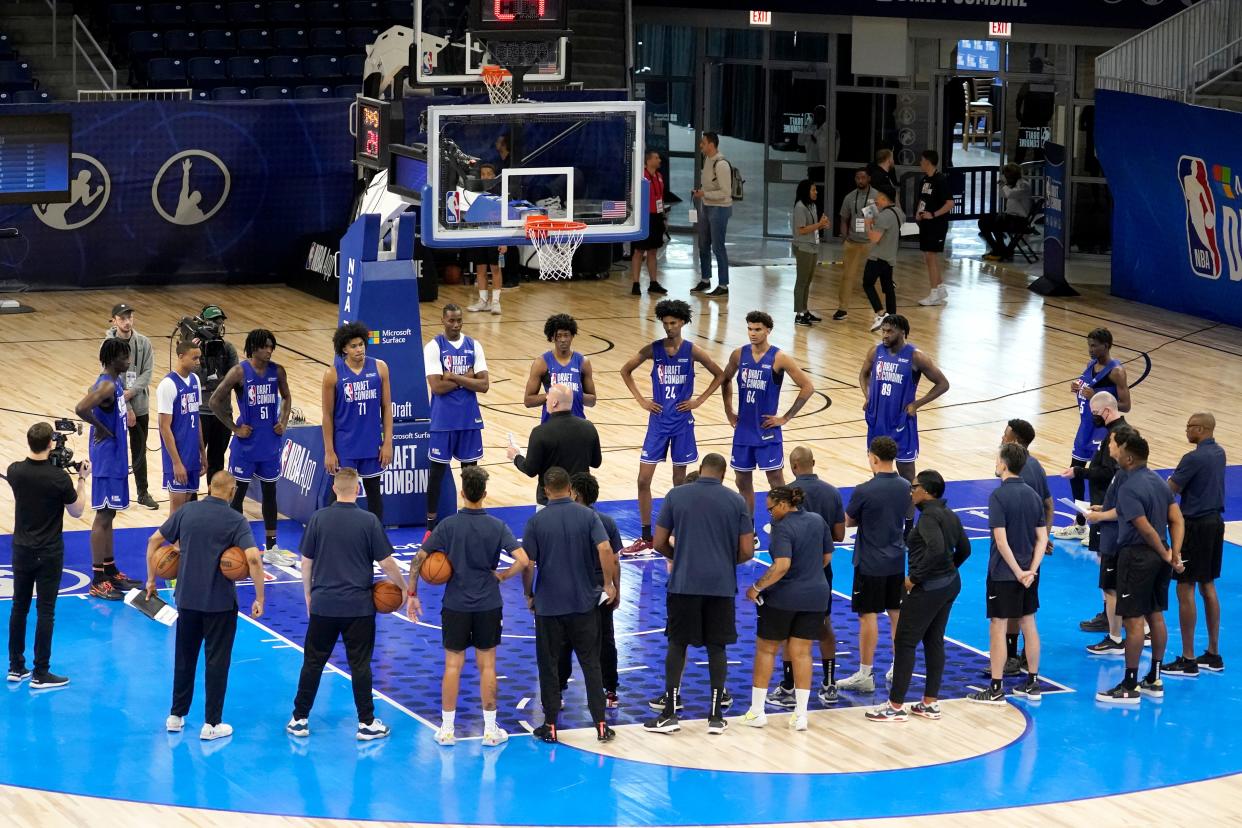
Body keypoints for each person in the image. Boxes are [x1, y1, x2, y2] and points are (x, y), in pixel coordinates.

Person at [410, 466, 529, 746]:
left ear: (462, 494)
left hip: (456, 605)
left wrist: (412, 593)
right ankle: (490, 731)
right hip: (488, 603)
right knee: (487, 666)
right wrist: (502, 576)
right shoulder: (497, 526)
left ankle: (447, 730)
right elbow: (524, 560)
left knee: (453, 666)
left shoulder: (448, 525)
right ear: (484, 494)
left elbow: (418, 559)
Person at [286, 469, 407, 741]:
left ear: (334, 488)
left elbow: (306, 561)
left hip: (324, 605)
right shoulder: (369, 521)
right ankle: (366, 723)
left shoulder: (318, 518)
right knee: (360, 666)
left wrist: (308, 594)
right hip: (358, 609)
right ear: (358, 490)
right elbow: (387, 563)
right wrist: (403, 588)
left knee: (313, 663)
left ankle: (299, 719)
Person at [144, 471, 265, 740]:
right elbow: (254, 560)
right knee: (217, 662)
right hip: (220, 605)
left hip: (187, 601)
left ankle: (175, 716)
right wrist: (260, 597)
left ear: (210, 487)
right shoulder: (236, 520)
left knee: (184, 658)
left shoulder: (187, 511)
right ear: (232, 492)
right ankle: (212, 724)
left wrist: (151, 579)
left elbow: (154, 541)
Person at [644, 453, 753, 734]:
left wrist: (678, 556)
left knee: (677, 644)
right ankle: (716, 715)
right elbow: (747, 551)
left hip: (684, 583)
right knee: (717, 647)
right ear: (723, 473)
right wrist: (726, 563)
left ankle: (669, 713)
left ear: (701, 469)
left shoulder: (676, 495)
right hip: (720, 585)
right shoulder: (736, 500)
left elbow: (657, 542)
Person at [520, 467, 619, 744]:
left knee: (549, 664)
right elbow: (605, 550)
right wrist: (609, 584)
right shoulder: (588, 516)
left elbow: (527, 563)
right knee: (590, 663)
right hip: (583, 604)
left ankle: (550, 725)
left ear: (546, 491)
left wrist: (528, 593)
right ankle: (600, 724)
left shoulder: (537, 522)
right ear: (570, 489)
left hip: (549, 606)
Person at [618, 299, 724, 554]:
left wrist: (699, 400)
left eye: (673, 323)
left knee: (680, 482)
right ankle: (646, 536)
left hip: (682, 424)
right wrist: (642, 400)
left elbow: (720, 374)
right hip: (657, 423)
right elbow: (625, 370)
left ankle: (679, 531)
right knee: (643, 480)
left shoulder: (693, 351)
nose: (668, 327)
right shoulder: (654, 349)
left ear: (683, 322)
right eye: (665, 323)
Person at [867, 470, 970, 722]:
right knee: (934, 640)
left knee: (905, 642)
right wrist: (948, 570)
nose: (911, 491)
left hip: (929, 588)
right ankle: (930, 703)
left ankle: (895, 706)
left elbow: (935, 550)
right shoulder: (949, 514)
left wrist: (915, 578)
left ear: (926, 490)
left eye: (914, 487)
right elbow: (965, 549)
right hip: (950, 585)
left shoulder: (927, 519)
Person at [1096, 435, 1185, 704]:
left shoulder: (1129, 487)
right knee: (1155, 616)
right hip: (1159, 558)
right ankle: (1154, 679)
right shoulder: (1159, 482)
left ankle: (1130, 685)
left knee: (1134, 622)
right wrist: (1174, 553)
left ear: (1129, 458)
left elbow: (1144, 528)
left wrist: (1165, 552)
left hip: (1137, 558)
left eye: (1119, 450)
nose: (1115, 452)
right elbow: (1177, 519)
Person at [740, 486, 833, 732]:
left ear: (783, 504)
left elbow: (781, 566)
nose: (770, 514)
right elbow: (826, 558)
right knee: (802, 653)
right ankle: (800, 716)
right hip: (816, 596)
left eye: (770, 509)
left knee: (766, 650)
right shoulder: (817, 520)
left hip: (784, 598)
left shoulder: (782, 527)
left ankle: (757, 712)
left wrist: (756, 587)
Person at [6, 424, 89, 688]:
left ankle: (16, 667)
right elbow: (76, 511)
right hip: (48, 551)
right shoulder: (58, 479)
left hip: (21, 549)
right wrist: (82, 479)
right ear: (51, 445)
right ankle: (41, 672)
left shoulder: (15, 471)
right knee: (46, 611)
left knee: (19, 607)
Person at [968, 443, 1047, 705]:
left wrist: (1017, 572)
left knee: (998, 626)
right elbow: (1042, 538)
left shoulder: (998, 497)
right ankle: (1033, 682)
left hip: (1004, 573)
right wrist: (1031, 571)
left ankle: (996, 687)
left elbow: (1001, 542)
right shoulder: (1034, 496)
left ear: (1003, 464)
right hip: (1028, 574)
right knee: (1029, 623)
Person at [209, 329, 294, 565]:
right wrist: (234, 429)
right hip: (246, 445)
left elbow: (287, 397)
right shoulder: (239, 372)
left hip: (269, 443)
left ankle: (272, 547)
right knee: (237, 496)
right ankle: (234, 545)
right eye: (265, 346)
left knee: (270, 494)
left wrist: (283, 420)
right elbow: (214, 400)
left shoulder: (277, 371)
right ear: (253, 348)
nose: (269, 350)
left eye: (271, 347)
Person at [770, 446, 845, 707]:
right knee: (824, 626)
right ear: (813, 462)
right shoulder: (832, 492)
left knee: (789, 632)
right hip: (820, 572)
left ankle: (789, 688)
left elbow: (780, 538)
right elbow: (839, 536)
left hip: (790, 571)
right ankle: (829, 684)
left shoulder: (783, 496)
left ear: (793, 466)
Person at [720, 310, 815, 516]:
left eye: (758, 329)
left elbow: (807, 386)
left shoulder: (779, 357)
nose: (752, 333)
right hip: (744, 430)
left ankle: (786, 523)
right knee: (742, 481)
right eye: (750, 329)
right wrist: (728, 410)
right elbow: (725, 379)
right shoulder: (739, 354)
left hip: (767, 431)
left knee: (777, 483)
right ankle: (749, 529)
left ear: (768, 331)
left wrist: (785, 417)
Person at [838, 437, 910, 692]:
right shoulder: (906, 486)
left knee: (867, 615)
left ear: (874, 458)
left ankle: (865, 673)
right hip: (896, 560)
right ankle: (899, 666)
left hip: (869, 563)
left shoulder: (864, 490)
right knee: (896, 614)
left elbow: (847, 521)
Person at [75, 337, 141, 600]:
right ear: (112, 358)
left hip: (115, 458)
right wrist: (102, 430)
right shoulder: (105, 384)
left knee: (110, 515)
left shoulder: (117, 382)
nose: (128, 361)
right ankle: (97, 579)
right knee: (102, 516)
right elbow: (80, 408)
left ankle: (110, 569)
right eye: (125, 357)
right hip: (105, 459)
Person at [1055, 328, 1131, 549]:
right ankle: (1080, 523)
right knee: (1074, 473)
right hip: (1085, 428)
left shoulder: (1116, 371)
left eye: (1094, 345)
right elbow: (1087, 390)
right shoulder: (1090, 365)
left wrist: (1096, 396)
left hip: (1102, 430)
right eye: (1089, 345)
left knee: (1101, 478)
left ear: (1106, 345)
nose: (1090, 349)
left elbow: (1126, 405)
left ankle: (1099, 526)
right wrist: (1077, 389)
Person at [1060, 390, 1129, 630]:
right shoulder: (1118, 432)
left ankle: (1112, 619)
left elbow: (1109, 472)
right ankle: (1110, 613)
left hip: (1108, 509)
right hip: (1106, 505)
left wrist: (1080, 472)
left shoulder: (1116, 436)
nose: (1093, 418)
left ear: (1107, 411)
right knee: (1105, 561)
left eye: (1095, 414)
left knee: (1108, 564)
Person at [1165, 412, 1226, 676]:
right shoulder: (1220, 453)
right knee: (1208, 585)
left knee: (1184, 588)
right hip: (1215, 524)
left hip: (1194, 526)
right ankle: (1213, 653)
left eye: (1189, 426)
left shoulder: (1192, 458)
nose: (1186, 430)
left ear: (1200, 429)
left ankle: (1188, 658)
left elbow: (1170, 490)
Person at [859, 314, 951, 489]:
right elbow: (863, 374)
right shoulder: (875, 352)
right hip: (877, 421)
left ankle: (909, 518)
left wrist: (917, 404)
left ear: (902, 332)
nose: (885, 335)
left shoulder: (916, 357)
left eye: (889, 331)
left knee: (908, 478)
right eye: (883, 331)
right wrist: (868, 396)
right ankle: (886, 512)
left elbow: (943, 384)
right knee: (879, 475)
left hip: (901, 423)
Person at [422, 305, 486, 531]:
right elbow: (437, 387)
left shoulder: (474, 345)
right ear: (443, 320)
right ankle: (431, 524)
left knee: (471, 475)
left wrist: (453, 376)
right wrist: (467, 377)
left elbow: (484, 384)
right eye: (451, 320)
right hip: (443, 420)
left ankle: (473, 516)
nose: (456, 325)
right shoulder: (433, 347)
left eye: (459, 320)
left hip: (469, 419)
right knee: (437, 474)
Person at [322, 321, 394, 520]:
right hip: (345, 445)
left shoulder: (380, 368)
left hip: (371, 444)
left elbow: (387, 407)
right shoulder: (332, 374)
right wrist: (329, 450)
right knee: (337, 496)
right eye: (353, 346)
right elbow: (327, 415)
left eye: (361, 344)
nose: (359, 349)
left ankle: (376, 539)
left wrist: (387, 442)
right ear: (344, 348)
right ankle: (328, 536)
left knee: (374, 494)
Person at [563, 472, 622, 707]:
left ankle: (556, 690)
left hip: (572, 589)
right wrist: (615, 588)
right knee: (605, 640)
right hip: (600, 590)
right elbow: (615, 560)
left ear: (575, 494)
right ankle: (610, 691)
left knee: (564, 641)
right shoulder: (607, 521)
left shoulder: (566, 520)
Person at [1000, 418, 1053, 671]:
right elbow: (1049, 504)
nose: (1002, 438)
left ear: (1016, 441)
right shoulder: (1037, 466)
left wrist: (1041, 537)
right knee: (1026, 606)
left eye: (1006, 435)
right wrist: (1044, 537)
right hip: (1032, 548)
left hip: (1015, 548)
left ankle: (1009, 656)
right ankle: (1021, 658)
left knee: (1012, 605)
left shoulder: (1016, 473)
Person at [1083, 426, 1138, 656]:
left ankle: (1116, 638)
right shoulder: (1121, 471)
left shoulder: (1125, 474)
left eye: (1112, 442)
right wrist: (1103, 508)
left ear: (1123, 447)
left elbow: (1123, 510)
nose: (1109, 445)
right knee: (1112, 588)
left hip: (1115, 539)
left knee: (1112, 589)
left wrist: (1100, 516)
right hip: (1113, 537)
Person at [509, 385, 602, 506]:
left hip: (550, 500)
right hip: (580, 499)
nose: (546, 400)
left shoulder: (540, 432)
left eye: (547, 397)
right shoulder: (588, 427)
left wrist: (516, 457)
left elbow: (531, 470)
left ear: (554, 402)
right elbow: (596, 462)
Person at [103, 303, 157, 509]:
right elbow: (111, 376)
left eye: (130, 317)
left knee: (139, 450)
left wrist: (132, 394)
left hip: (140, 404)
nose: (127, 322)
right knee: (115, 449)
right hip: (116, 408)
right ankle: (114, 491)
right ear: (113, 320)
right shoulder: (108, 345)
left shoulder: (143, 343)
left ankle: (142, 492)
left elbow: (147, 373)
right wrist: (127, 407)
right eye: (122, 318)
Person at [156, 340, 207, 515]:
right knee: (176, 511)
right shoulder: (168, 385)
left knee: (186, 510)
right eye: (195, 358)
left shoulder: (195, 380)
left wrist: (202, 452)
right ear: (181, 357)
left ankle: (181, 543)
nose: (198, 362)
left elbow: (196, 418)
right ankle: (163, 543)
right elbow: (164, 427)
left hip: (193, 455)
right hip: (177, 457)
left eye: (199, 358)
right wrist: (177, 463)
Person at [191, 304, 239, 485]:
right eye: (213, 322)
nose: (217, 326)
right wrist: (198, 355)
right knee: (194, 461)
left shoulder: (228, 349)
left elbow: (233, 380)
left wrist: (214, 383)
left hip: (222, 413)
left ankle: (214, 500)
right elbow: (192, 379)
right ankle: (192, 503)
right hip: (201, 412)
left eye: (220, 322)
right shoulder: (194, 350)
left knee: (217, 462)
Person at [524, 314, 596, 421]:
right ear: (552, 337)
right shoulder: (541, 363)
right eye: (559, 336)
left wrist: (573, 394)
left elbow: (592, 401)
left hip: (577, 426)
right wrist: (552, 395)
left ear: (572, 336)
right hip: (551, 426)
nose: (563, 339)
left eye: (566, 335)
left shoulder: (583, 362)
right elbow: (528, 401)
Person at [690, 132, 732, 297]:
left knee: (718, 246)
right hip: (707, 206)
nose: (701, 145)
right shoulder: (707, 160)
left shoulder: (721, 165)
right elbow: (709, 185)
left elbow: (726, 193)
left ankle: (723, 284)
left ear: (712, 145)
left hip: (720, 209)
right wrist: (701, 193)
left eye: (703, 143)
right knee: (703, 244)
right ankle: (705, 279)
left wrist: (704, 195)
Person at [466, 163, 509, 315]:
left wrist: (504, 240)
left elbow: (505, 218)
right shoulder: (474, 193)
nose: (485, 176)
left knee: (495, 269)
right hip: (480, 235)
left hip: (496, 235)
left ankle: (496, 302)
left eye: (489, 174)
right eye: (483, 174)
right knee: (480, 269)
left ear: (495, 176)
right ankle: (483, 301)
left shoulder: (499, 194)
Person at [861, 185, 904, 333]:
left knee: (867, 284)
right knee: (888, 288)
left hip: (877, 257)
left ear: (885, 198)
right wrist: (875, 220)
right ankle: (893, 320)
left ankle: (880, 314)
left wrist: (868, 225)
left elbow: (874, 238)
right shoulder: (898, 213)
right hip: (890, 257)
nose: (876, 200)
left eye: (878, 197)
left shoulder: (885, 216)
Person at [836, 167, 877, 322]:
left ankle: (878, 312)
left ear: (869, 179)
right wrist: (845, 237)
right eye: (858, 178)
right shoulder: (849, 197)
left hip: (870, 244)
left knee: (874, 278)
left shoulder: (876, 196)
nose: (860, 180)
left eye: (863, 177)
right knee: (847, 277)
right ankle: (842, 308)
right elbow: (844, 218)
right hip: (852, 243)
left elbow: (880, 220)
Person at [913, 150, 953, 307]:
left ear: (928, 162)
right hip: (925, 223)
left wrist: (933, 214)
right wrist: (918, 212)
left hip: (937, 224)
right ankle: (941, 288)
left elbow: (950, 203)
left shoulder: (941, 180)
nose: (920, 163)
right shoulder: (924, 180)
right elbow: (923, 200)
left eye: (922, 160)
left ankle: (934, 293)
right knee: (928, 256)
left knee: (931, 256)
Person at [792, 179, 830, 327]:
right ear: (806, 191)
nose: (816, 192)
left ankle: (805, 309)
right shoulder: (800, 207)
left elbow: (812, 227)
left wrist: (822, 225)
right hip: (803, 247)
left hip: (813, 246)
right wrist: (819, 225)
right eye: (813, 190)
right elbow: (801, 230)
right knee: (801, 281)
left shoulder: (812, 205)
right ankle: (798, 314)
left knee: (808, 281)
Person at [631, 150, 669, 296]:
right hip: (643, 217)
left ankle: (653, 283)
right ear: (648, 161)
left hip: (656, 217)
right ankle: (636, 283)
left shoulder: (659, 176)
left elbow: (660, 198)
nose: (659, 160)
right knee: (639, 250)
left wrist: (663, 217)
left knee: (653, 251)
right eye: (656, 157)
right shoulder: (641, 177)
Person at [978, 163, 1032, 261]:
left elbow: (1010, 194)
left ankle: (1001, 250)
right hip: (1010, 217)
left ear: (1013, 176)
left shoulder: (1024, 185)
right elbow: (1003, 194)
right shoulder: (1013, 184)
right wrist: (1004, 185)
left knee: (996, 223)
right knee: (983, 221)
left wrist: (1004, 185)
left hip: (1019, 221)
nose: (1006, 179)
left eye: (1007, 177)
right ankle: (998, 248)